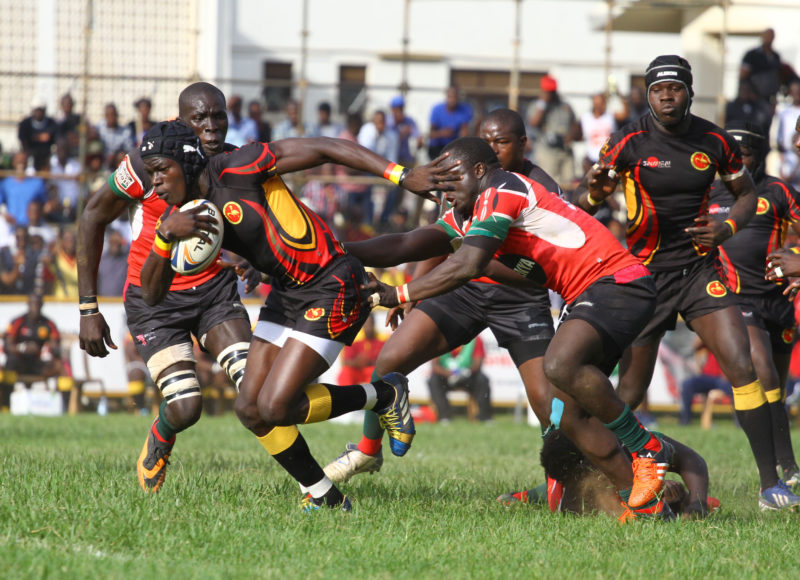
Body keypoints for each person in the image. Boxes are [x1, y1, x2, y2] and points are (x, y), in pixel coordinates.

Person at [137, 117, 452, 511]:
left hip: (333, 282)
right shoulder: (180, 216)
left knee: (276, 407)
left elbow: (324, 146)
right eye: (150, 175)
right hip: (288, 291)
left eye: (160, 172)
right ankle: (327, 498)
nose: (156, 184)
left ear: (186, 161)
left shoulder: (238, 165)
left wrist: (401, 175)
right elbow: (151, 294)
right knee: (250, 409)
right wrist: (165, 236)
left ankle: (385, 394)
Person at [360, 135, 675, 520]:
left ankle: (648, 449)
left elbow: (468, 266)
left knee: (559, 364)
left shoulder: (502, 187)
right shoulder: (469, 214)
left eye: (452, 176)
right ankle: (645, 503)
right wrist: (335, 250)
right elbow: (406, 244)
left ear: (479, 170)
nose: (445, 186)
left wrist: (396, 293)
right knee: (569, 418)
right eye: (440, 180)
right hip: (588, 294)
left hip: (616, 282)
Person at [575, 55, 799, 510]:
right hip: (644, 278)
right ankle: (600, 475)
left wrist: (727, 230)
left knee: (743, 365)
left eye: (675, 88)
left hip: (699, 272)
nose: (667, 96)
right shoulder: (628, 142)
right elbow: (587, 200)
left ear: (689, 92)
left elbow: (747, 195)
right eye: (658, 89)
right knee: (632, 390)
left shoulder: (715, 140)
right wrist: (595, 189)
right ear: (647, 94)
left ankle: (769, 485)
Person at [325, 109, 564, 483]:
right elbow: (438, 237)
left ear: (522, 144)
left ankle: (560, 485)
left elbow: (537, 259)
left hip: (520, 297)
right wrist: (412, 294)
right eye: (487, 141)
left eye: (501, 142)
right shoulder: (467, 177)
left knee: (549, 404)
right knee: (391, 358)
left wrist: (407, 289)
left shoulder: (539, 187)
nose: (493, 150)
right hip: (461, 289)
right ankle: (367, 450)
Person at [77, 82, 254, 494]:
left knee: (255, 388)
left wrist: (251, 257)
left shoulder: (232, 162)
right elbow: (91, 216)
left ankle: (315, 487)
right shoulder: (146, 163)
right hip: (154, 298)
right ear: (181, 122)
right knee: (187, 407)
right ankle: (161, 436)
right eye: (199, 119)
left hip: (214, 293)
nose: (211, 128)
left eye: (219, 117)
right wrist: (88, 309)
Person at [710, 121, 800, 484]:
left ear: (758, 156)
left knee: (775, 388)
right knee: (760, 369)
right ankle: (787, 472)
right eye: (731, 154)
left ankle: (784, 467)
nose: (737, 161)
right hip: (735, 298)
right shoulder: (708, 194)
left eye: (744, 154)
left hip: (777, 301)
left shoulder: (778, 191)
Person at [500, 429, 717, 520]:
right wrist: (666, 502)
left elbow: (691, 460)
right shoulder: (565, 496)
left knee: (705, 502)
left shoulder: (632, 445)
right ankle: (519, 496)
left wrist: (695, 505)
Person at [0, 293, 73, 413]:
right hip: (20, 363)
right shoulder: (18, 321)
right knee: (10, 363)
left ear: (42, 305)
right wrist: (23, 348)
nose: (35, 307)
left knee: (60, 366)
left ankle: (66, 407)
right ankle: (6, 406)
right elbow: (8, 345)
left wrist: (52, 348)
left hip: (37, 363)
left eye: (38, 304)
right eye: (33, 304)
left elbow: (56, 344)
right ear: (28, 304)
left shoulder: (48, 324)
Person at [527, 74, 580, 188]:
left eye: (552, 91)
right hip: (547, 151)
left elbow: (575, 124)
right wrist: (543, 104)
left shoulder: (564, 106)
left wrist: (570, 136)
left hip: (564, 150)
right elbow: (534, 122)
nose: (550, 94)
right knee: (550, 184)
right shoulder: (537, 106)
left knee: (568, 183)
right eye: (548, 91)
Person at [428, 336, 492, 423]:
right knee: (433, 380)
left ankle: (485, 417)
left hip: (468, 376)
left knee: (482, 379)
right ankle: (444, 417)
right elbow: (435, 367)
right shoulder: (440, 338)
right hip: (446, 376)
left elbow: (477, 364)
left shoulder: (476, 339)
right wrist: (450, 374)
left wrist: (465, 372)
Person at [679, 339, 732, 428]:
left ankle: (740, 424)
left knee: (736, 390)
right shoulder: (710, 337)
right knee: (687, 384)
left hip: (723, 378)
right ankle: (685, 421)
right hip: (706, 376)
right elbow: (696, 346)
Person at [0, 152, 48, 227]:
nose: (21, 163)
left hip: (32, 227)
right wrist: (5, 215)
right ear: (13, 162)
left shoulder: (37, 183)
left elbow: (44, 204)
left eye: (23, 161)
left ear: (27, 163)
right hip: (11, 227)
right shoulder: (5, 183)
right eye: (18, 161)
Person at [427, 86, 473, 160]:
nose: (452, 100)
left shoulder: (464, 110)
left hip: (453, 148)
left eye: (454, 97)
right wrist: (442, 133)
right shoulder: (437, 109)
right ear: (446, 97)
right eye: (450, 97)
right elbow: (431, 134)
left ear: (458, 97)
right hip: (437, 148)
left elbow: (465, 131)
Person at [338, 315, 384, 385]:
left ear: (374, 324)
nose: (368, 327)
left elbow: (385, 364)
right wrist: (357, 362)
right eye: (366, 325)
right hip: (357, 372)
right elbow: (346, 362)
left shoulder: (381, 343)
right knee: (346, 373)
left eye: (370, 324)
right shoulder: (354, 343)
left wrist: (370, 362)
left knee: (375, 373)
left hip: (371, 373)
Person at [578, 93, 617, 175]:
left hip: (608, 158)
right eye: (596, 104)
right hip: (592, 159)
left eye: (601, 103)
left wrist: (618, 95)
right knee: (591, 173)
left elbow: (625, 114)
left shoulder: (610, 116)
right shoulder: (586, 118)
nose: (599, 106)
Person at [18, 97, 58, 171]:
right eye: (36, 110)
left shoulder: (51, 123)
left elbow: (55, 139)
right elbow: (23, 140)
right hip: (30, 155)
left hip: (47, 155)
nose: (38, 113)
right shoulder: (25, 124)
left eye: (41, 110)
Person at [777, 81, 800, 189]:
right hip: (788, 156)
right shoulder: (784, 112)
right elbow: (779, 139)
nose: (796, 95)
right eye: (794, 92)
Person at [97, 227, 128, 297]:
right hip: (103, 302)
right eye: (113, 241)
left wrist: (123, 241)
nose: (115, 244)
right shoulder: (101, 260)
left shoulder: (125, 259)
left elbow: (134, 248)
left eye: (117, 242)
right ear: (109, 241)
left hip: (120, 302)